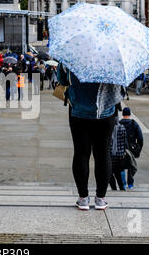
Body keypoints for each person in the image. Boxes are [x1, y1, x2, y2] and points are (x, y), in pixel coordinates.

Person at [58, 64, 122, 211]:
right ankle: (100, 198)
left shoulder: (72, 53)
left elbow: (62, 80)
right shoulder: (112, 55)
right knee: (103, 153)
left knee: (81, 152)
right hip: (106, 109)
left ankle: (83, 198)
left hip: (78, 109)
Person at [119, 107, 143, 190]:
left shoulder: (118, 124)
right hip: (131, 149)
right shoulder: (134, 124)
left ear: (123, 114)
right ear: (129, 114)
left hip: (120, 148)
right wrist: (138, 149)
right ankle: (130, 184)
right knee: (130, 165)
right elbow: (140, 138)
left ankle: (122, 184)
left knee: (121, 167)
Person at [109, 113, 127, 191]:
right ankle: (121, 187)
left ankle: (114, 187)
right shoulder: (122, 128)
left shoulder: (109, 128)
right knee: (118, 172)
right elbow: (124, 141)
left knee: (109, 172)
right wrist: (124, 151)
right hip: (119, 154)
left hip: (110, 154)